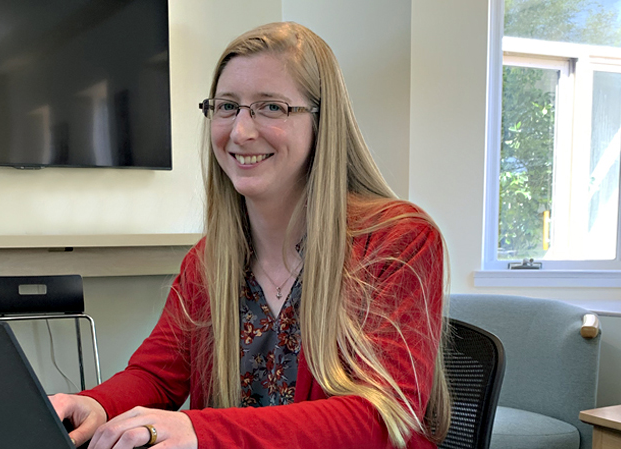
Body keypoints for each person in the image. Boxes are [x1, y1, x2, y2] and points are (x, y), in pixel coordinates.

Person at [50, 21, 450, 449]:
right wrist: (95, 404)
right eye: (227, 107)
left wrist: (200, 431)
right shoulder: (209, 260)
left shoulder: (400, 240)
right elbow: (155, 373)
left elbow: (379, 417)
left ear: (322, 121)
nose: (240, 132)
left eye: (271, 107)